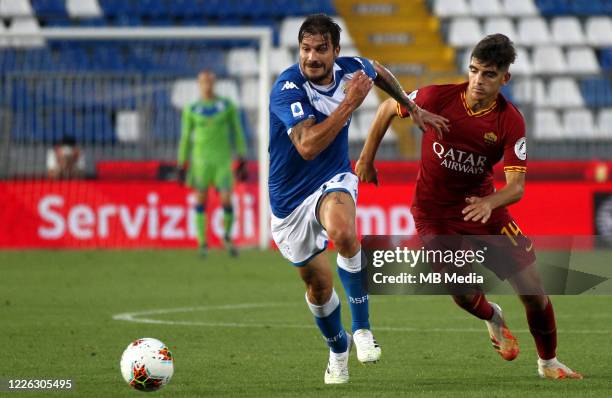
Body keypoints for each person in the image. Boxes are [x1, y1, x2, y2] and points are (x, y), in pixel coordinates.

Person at [356, 34, 582, 380]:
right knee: (462, 294)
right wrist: (366, 160)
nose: (478, 80)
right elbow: (388, 107)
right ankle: (493, 316)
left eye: (489, 74)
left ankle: (549, 363)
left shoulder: (510, 121)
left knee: (534, 293)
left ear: (504, 78)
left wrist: (491, 202)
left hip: (484, 211)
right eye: (474, 70)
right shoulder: (437, 97)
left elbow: (517, 187)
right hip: (433, 213)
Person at [268, 14, 448, 384]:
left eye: (320, 49)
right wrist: (349, 104)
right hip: (288, 201)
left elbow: (378, 71)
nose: (312, 57)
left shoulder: (353, 69)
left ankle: (364, 328)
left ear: (336, 51)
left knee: (343, 230)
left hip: (332, 177)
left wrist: (410, 107)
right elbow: (306, 146)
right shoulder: (288, 87)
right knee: (317, 287)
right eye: (305, 49)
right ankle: (339, 349)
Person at [177, 70, 248, 258]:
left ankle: (226, 236)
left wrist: (241, 156)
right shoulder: (191, 108)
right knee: (200, 199)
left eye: (209, 81)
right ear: (198, 84)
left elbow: (237, 131)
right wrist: (181, 162)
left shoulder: (226, 106)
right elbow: (185, 137)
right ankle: (202, 243)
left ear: (214, 83)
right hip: (200, 161)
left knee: (226, 199)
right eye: (203, 82)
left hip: (222, 161)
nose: (207, 85)